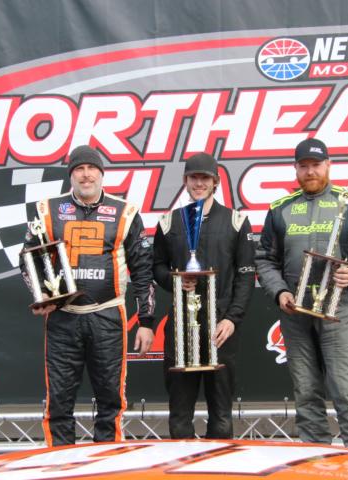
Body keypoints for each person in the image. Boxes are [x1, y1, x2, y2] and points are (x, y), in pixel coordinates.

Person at [256, 138, 348, 452]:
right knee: (305, 392)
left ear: (328, 165)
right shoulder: (280, 209)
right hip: (295, 315)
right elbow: (264, 258)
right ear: (296, 169)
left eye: (316, 165)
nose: (310, 171)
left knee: (346, 389)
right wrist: (279, 292)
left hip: (338, 311)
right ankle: (317, 461)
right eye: (303, 166)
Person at [20, 145, 155, 446]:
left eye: (91, 168)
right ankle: (60, 469)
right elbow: (27, 258)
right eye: (79, 169)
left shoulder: (126, 212)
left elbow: (143, 270)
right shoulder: (48, 209)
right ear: (71, 175)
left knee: (111, 402)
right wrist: (41, 294)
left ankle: (105, 470)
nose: (85, 174)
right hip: (63, 318)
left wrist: (146, 320)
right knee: (59, 402)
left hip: (108, 316)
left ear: (101, 174)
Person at [153, 152, 255, 439]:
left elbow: (246, 275)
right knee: (180, 416)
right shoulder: (169, 222)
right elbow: (156, 266)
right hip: (182, 326)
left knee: (221, 416)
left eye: (205, 178)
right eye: (194, 177)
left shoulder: (235, 221)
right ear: (185, 180)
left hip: (221, 326)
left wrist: (233, 319)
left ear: (216, 182)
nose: (199, 183)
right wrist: (175, 281)